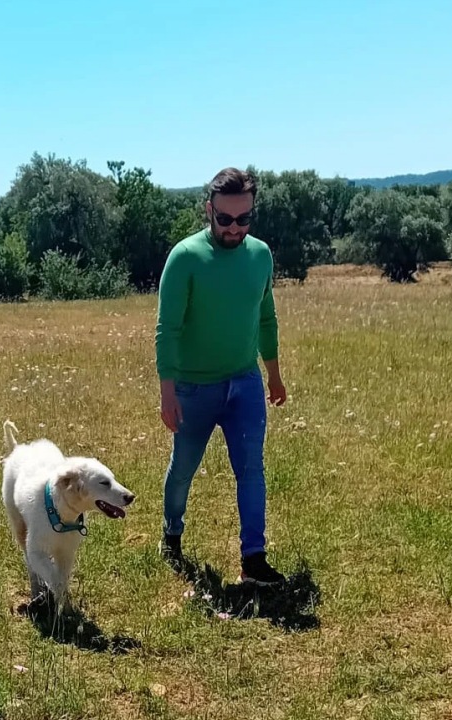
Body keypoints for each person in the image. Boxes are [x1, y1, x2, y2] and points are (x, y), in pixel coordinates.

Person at [154, 166, 288, 586]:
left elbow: (266, 316)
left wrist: (274, 375)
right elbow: (167, 330)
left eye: (244, 219)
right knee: (184, 469)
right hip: (193, 388)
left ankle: (254, 559)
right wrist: (168, 392)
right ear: (208, 209)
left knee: (251, 469)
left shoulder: (260, 255)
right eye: (226, 219)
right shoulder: (186, 257)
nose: (234, 228)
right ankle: (172, 533)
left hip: (244, 383)